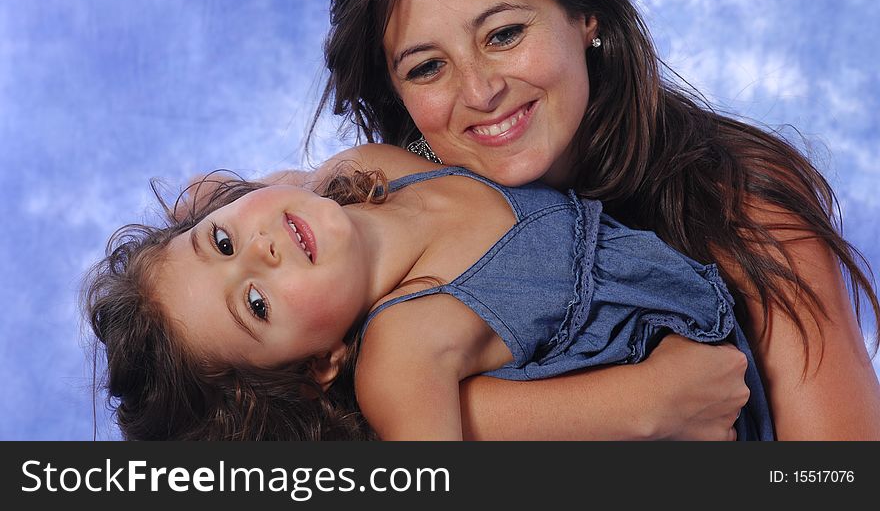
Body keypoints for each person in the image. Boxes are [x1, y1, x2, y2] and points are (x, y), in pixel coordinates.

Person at [298, 0, 879, 439]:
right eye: (428, 68)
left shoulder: (741, 202)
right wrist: (638, 406)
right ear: (399, 98)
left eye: (504, 34)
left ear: (584, 16)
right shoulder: (356, 231)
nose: (479, 92)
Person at [83, 143, 765, 440]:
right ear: (320, 366)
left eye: (223, 244)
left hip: (735, 326)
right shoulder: (405, 351)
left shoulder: (366, 169)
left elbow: (278, 187)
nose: (261, 254)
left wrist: (210, 205)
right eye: (256, 305)